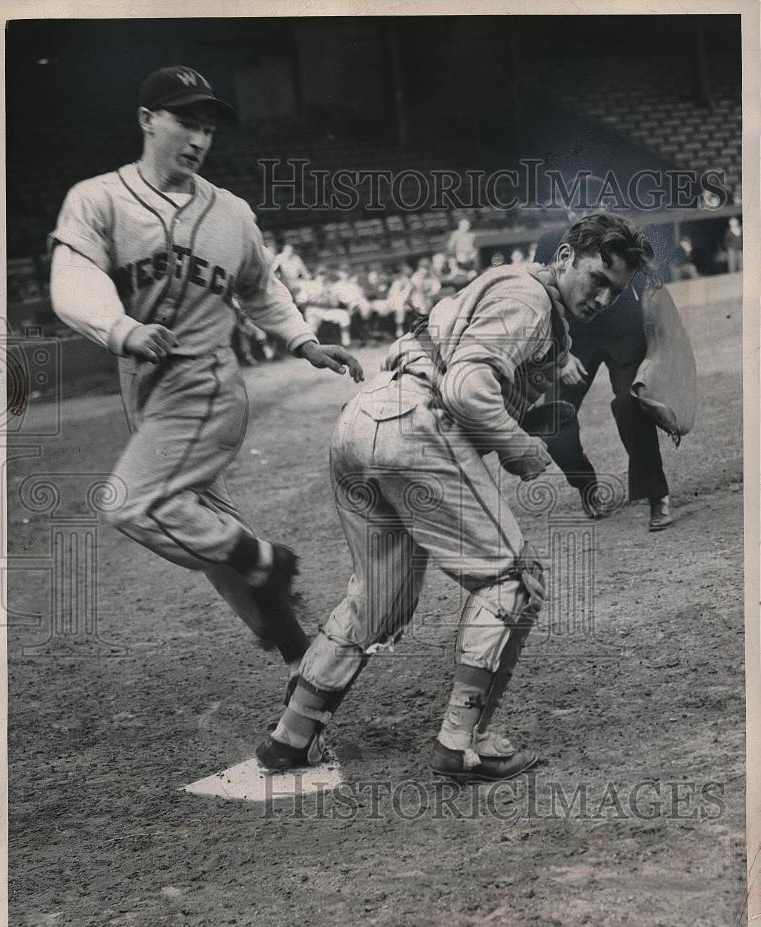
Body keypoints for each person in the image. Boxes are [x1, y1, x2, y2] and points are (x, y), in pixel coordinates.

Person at [256, 213, 654, 780]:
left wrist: (530, 405)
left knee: (378, 602)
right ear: (565, 257)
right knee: (512, 578)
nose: (604, 297)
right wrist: (520, 446)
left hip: (362, 423)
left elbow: (466, 371)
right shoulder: (529, 299)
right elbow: (466, 389)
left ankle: (291, 737)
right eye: (597, 278)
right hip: (415, 425)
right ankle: (463, 742)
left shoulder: (511, 289)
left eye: (615, 290)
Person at [49, 65, 364, 684]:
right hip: (146, 395)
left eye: (207, 128)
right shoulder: (100, 199)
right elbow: (72, 277)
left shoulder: (232, 213)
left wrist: (305, 341)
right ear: (147, 120)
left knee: (131, 504)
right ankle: (301, 655)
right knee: (209, 533)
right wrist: (119, 327)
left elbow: (262, 289)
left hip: (207, 385)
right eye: (185, 122)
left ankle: (267, 563)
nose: (198, 138)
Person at [534, 221, 676, 530]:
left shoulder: (624, 243)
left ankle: (656, 494)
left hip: (623, 334)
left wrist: (657, 347)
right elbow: (543, 296)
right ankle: (587, 486)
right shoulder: (549, 240)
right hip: (573, 339)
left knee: (631, 404)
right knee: (554, 423)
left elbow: (650, 290)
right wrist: (561, 355)